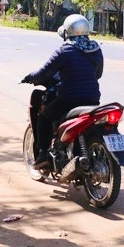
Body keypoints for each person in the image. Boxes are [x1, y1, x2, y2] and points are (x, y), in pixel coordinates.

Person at [22, 14, 104, 170]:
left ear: (67, 32)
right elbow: (98, 74)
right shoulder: (95, 48)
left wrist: (29, 77)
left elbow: (43, 73)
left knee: (44, 118)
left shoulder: (65, 50)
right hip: (92, 101)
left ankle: (44, 155)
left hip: (69, 101)